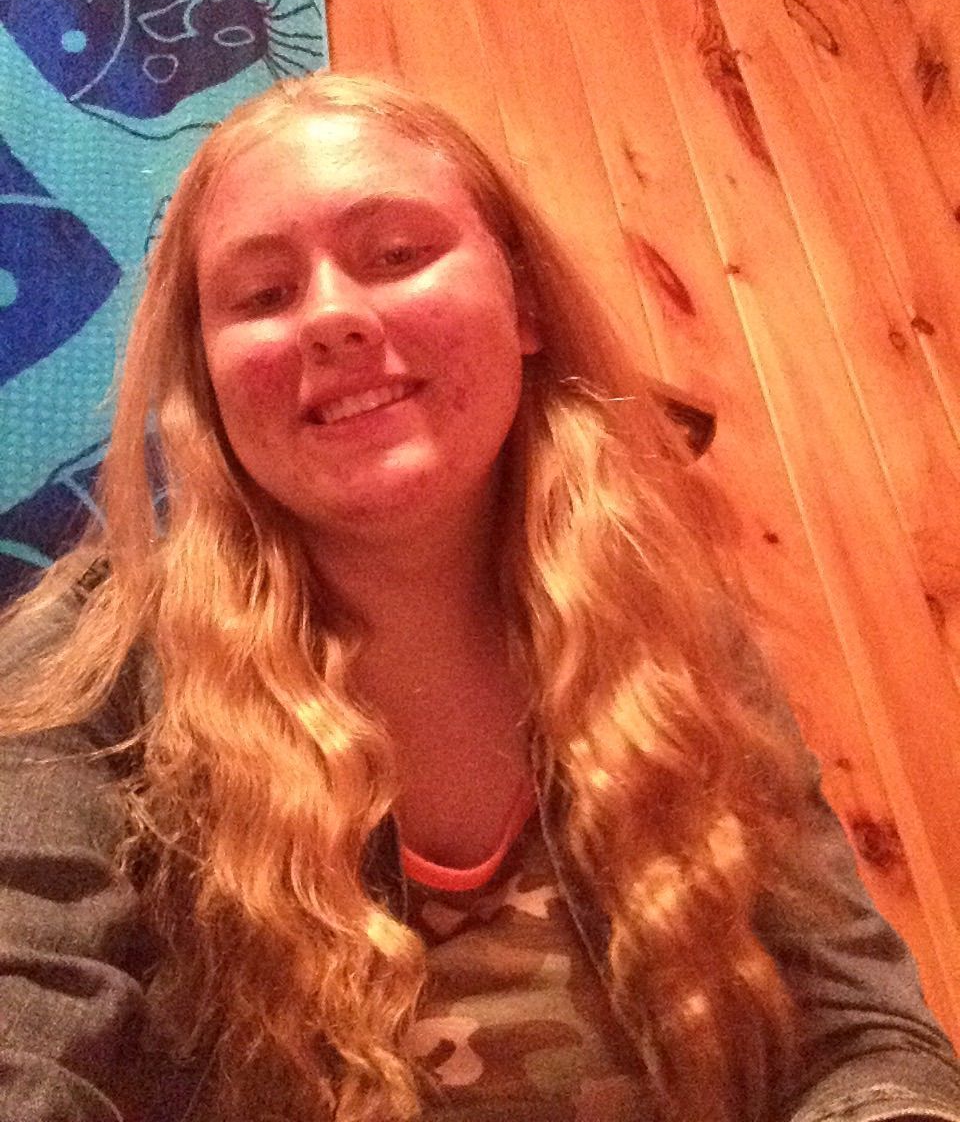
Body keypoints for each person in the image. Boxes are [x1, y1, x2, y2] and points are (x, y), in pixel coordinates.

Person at [1, 72, 958, 1122]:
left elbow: (855, 1030)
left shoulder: (670, 620)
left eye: (396, 254)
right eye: (263, 295)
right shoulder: (87, 661)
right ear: (210, 378)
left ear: (525, 303)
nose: (332, 316)